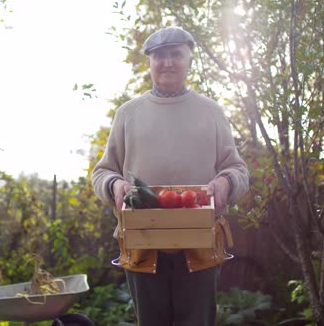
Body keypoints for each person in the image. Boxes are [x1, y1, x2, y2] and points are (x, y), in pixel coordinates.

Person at [91, 26, 249, 326]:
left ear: (189, 60)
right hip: (142, 247)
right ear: (149, 62)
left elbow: (237, 169)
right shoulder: (128, 114)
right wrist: (115, 184)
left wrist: (225, 183)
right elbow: (102, 172)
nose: (168, 63)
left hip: (200, 246)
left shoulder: (211, 112)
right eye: (160, 56)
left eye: (176, 55)